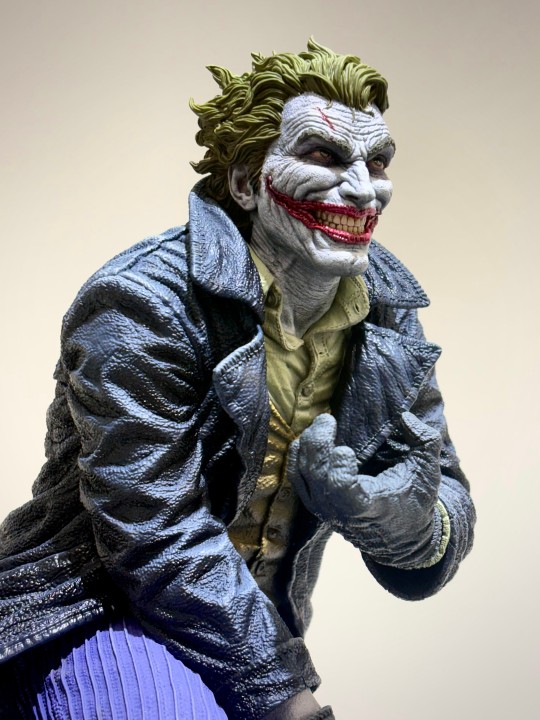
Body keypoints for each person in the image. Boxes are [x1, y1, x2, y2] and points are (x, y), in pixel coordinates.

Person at [0, 39, 475, 719]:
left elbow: (443, 490)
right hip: (90, 615)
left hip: (255, 639)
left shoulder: (387, 308)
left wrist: (387, 516)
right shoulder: (141, 303)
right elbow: (153, 534)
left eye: (377, 162)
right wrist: (287, 698)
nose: (362, 188)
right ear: (248, 181)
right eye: (323, 156)